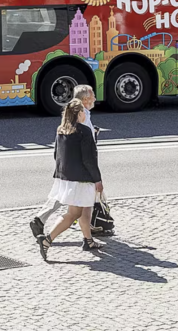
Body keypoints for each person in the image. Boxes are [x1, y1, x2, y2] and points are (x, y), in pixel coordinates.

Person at [34, 84, 104, 260]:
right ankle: (49, 239)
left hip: (67, 178)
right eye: (82, 112)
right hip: (82, 179)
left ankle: (82, 240)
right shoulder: (85, 132)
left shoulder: (61, 130)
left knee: (76, 212)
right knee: (75, 213)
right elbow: (89, 160)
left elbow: (56, 154)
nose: (84, 115)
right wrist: (98, 180)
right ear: (79, 114)